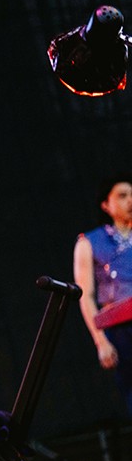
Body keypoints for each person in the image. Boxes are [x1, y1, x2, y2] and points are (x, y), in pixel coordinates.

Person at [73, 173, 132, 417]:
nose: (130, 201)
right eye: (122, 196)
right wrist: (101, 342)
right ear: (106, 204)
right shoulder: (90, 242)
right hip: (121, 329)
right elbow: (85, 295)